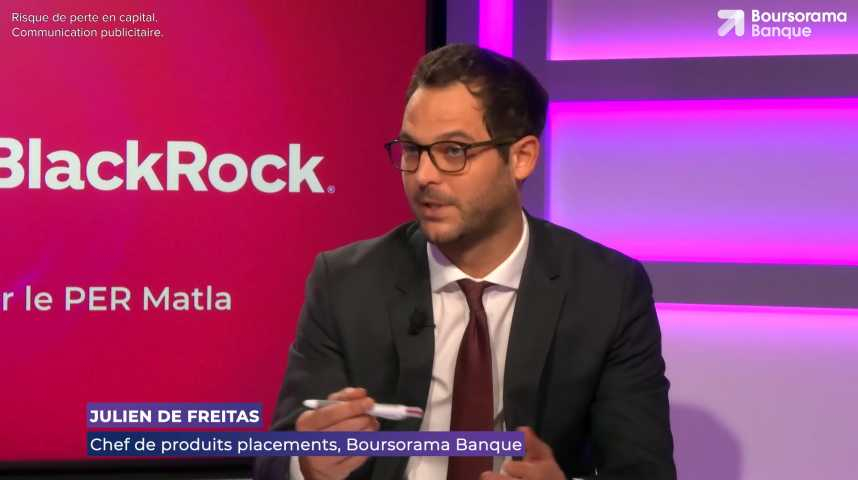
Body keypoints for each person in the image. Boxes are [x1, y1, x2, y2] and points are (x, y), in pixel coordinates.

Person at [255, 43, 676, 480]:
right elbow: (272, 461)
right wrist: (307, 464)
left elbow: (645, 471)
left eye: (453, 151)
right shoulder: (346, 281)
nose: (423, 175)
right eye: (412, 149)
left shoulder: (606, 290)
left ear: (522, 157)